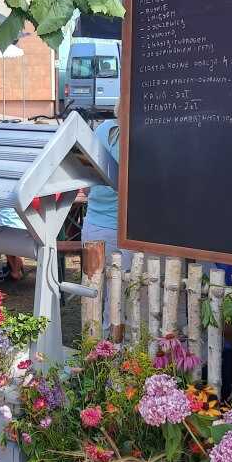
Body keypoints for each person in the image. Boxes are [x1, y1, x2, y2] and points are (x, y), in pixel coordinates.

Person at [82, 104, 132, 329]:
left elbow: (86, 180)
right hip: (120, 234)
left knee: (92, 292)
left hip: (91, 226)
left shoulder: (102, 129)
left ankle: (93, 344)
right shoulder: (136, 138)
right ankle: (110, 346)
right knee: (116, 300)